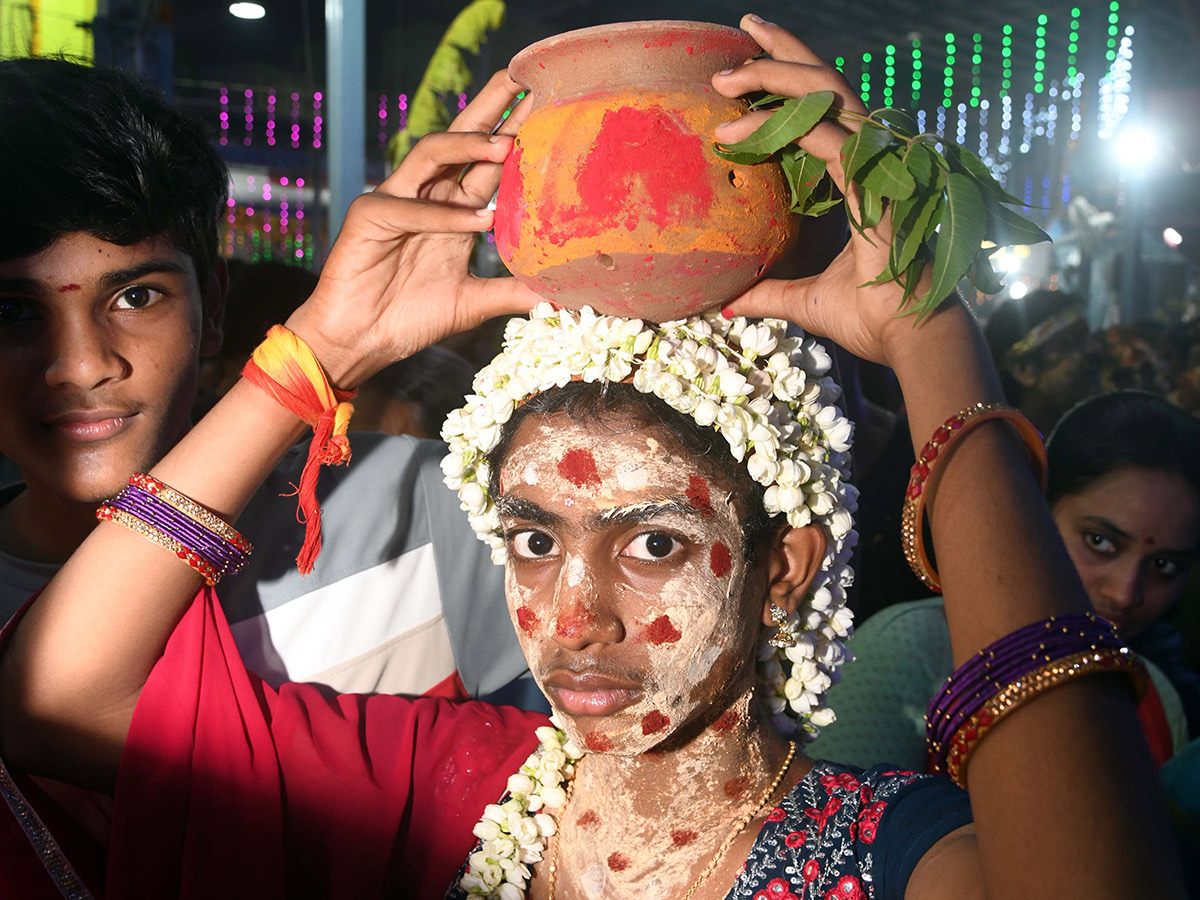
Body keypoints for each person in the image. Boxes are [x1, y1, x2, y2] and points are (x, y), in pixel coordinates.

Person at [0, 16, 1186, 900]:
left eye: (654, 541)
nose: (573, 618)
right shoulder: (459, 783)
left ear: (782, 568)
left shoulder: (889, 844)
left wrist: (936, 353)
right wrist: (318, 350)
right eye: (531, 538)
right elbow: (57, 695)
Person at [0, 55, 529, 900]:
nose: (82, 365)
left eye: (135, 296)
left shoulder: (423, 508)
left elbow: (617, 805)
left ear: (212, 304)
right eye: (14, 313)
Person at [812, 389, 1200, 771]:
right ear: (1035, 507)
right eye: (1100, 542)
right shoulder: (913, 650)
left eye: (1164, 566)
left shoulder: (1156, 699)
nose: (1125, 592)